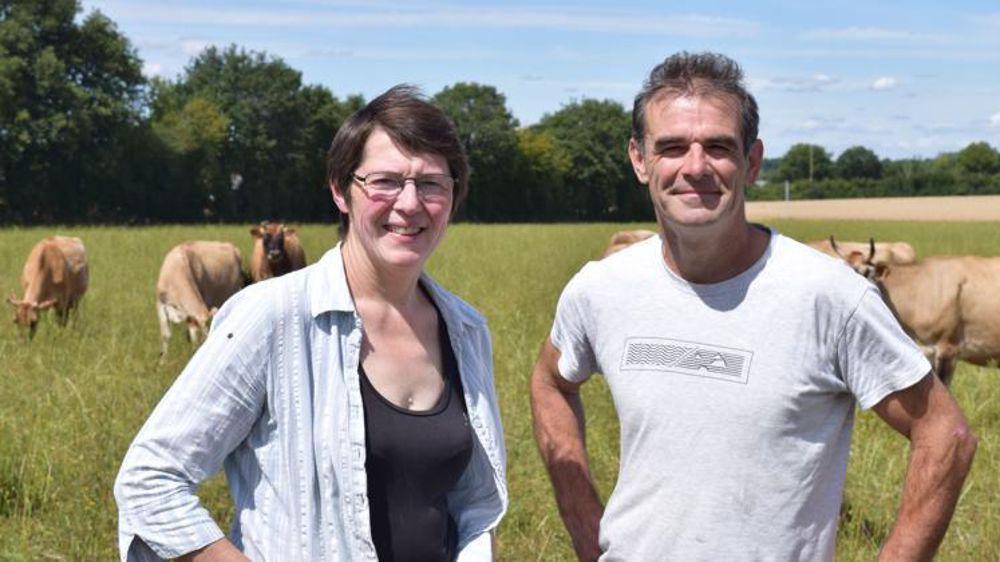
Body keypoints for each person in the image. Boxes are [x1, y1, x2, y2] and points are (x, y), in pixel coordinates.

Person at [530, 51, 977, 561]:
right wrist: (587, 529)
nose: (695, 167)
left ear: (753, 161)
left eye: (718, 147)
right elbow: (550, 383)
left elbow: (947, 434)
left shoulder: (829, 295)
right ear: (639, 159)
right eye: (672, 147)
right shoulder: (601, 288)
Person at [115, 85, 507, 562]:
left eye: (431, 183)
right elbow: (150, 481)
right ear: (342, 192)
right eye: (384, 181)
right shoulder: (272, 316)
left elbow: (474, 507)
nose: (409, 204)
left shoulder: (466, 330)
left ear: (454, 194)